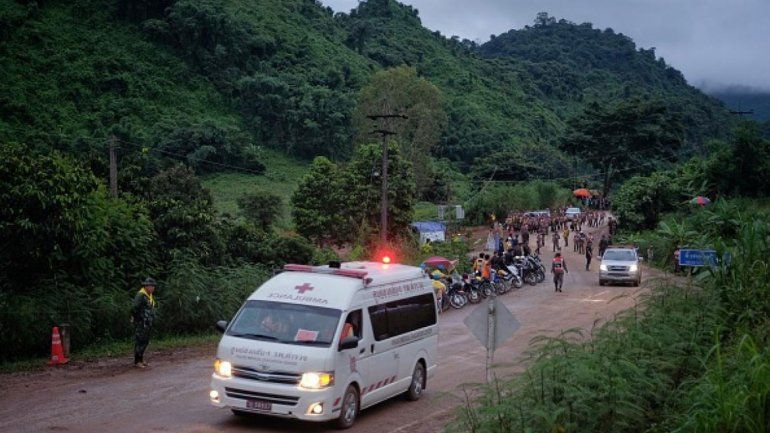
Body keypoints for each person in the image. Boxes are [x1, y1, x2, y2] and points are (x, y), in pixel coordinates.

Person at [131, 277, 157, 368]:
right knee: (140, 340)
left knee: (145, 341)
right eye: (151, 286)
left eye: (153, 286)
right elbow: (134, 307)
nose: (153, 288)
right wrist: (136, 318)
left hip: (147, 322)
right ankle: (137, 361)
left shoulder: (148, 295)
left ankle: (141, 360)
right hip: (141, 322)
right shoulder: (141, 295)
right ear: (146, 286)